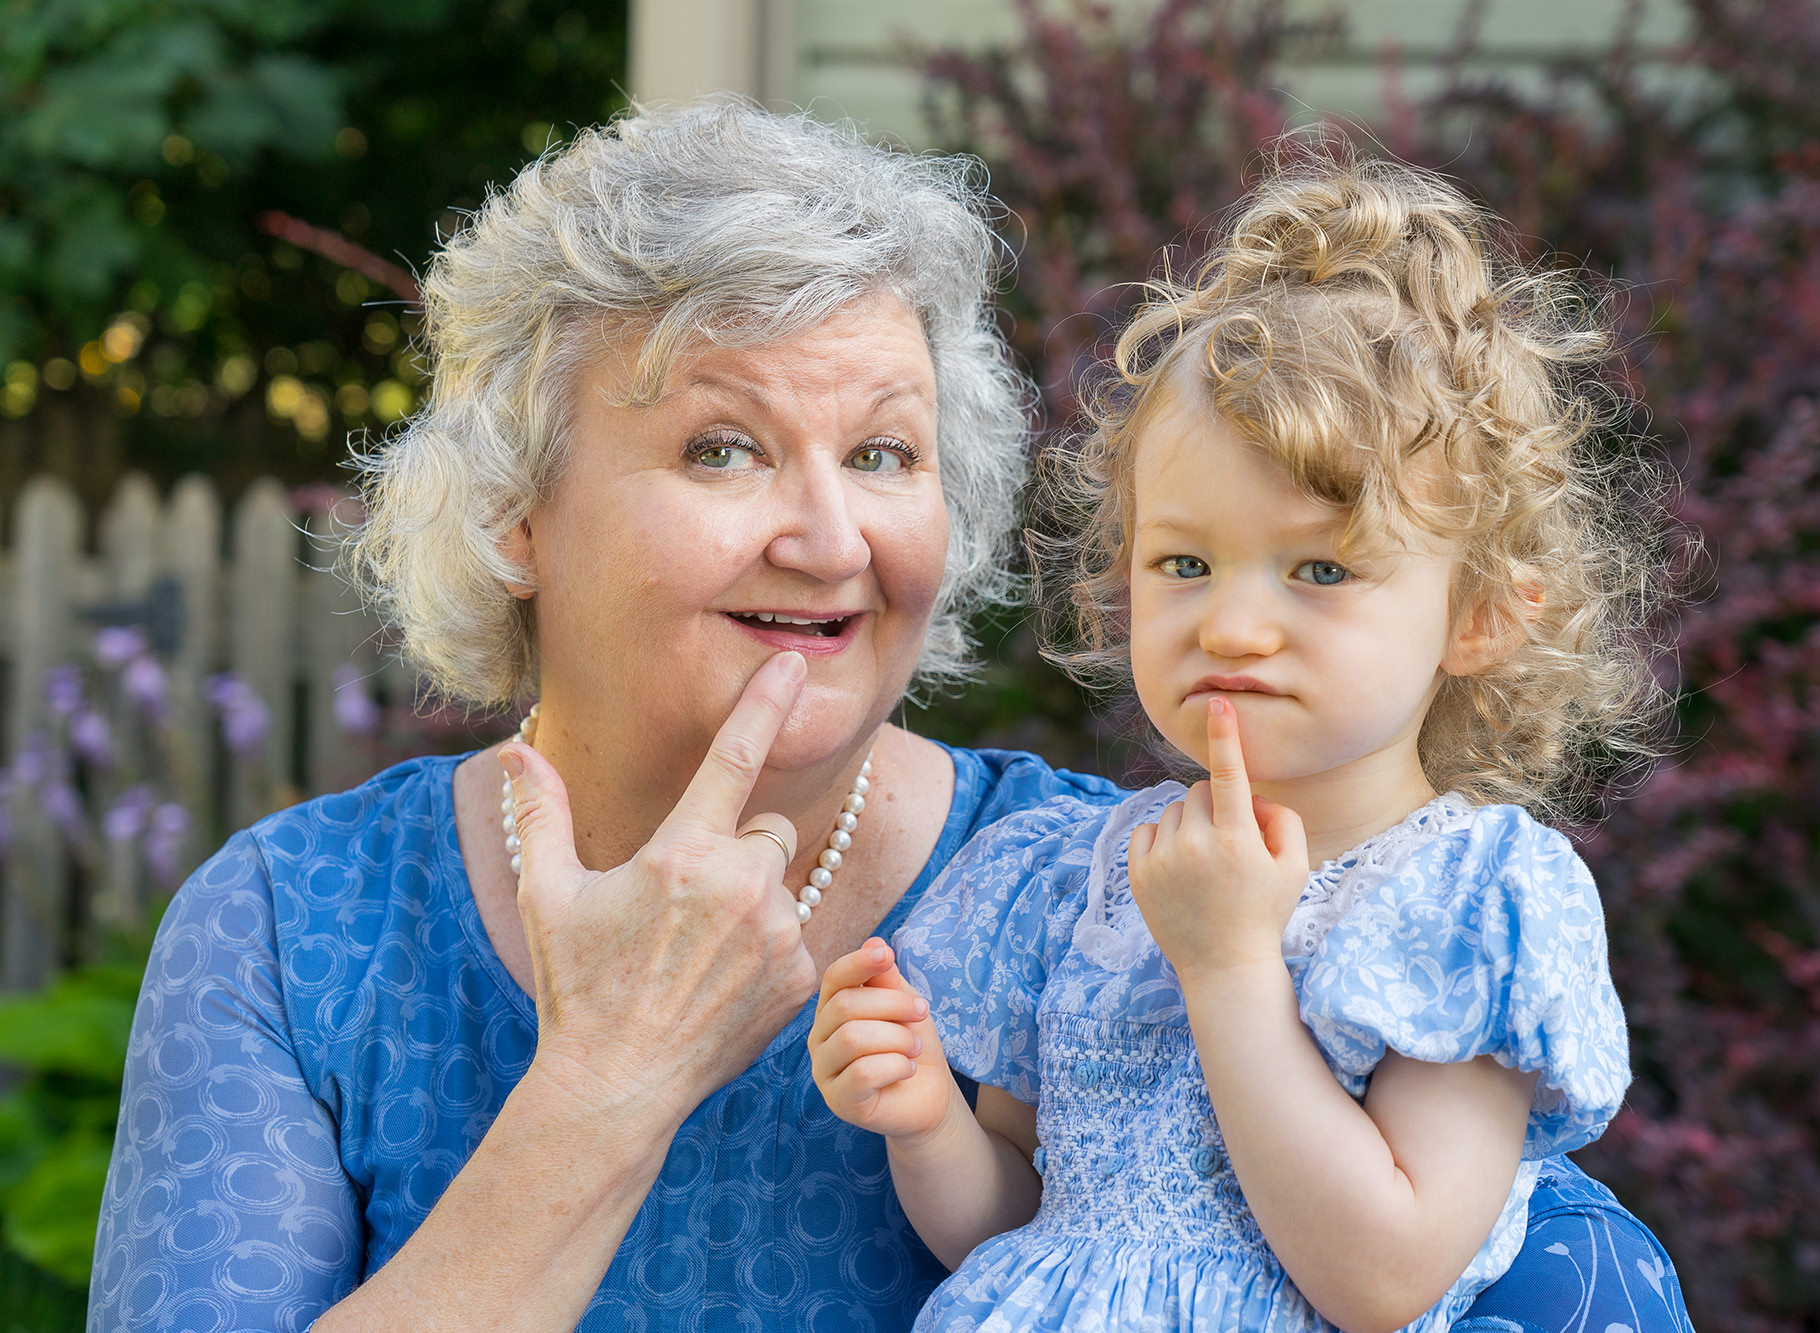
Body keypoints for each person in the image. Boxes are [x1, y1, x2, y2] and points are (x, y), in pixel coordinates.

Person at [86, 100, 1693, 1332]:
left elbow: (1515, 1261)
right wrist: (608, 1080)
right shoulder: (298, 933)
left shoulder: (1125, 886)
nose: (831, 537)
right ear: (518, 511)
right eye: (723, 449)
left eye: (883, 454)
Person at [810, 152, 1677, 1333]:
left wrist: (1228, 968)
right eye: (1183, 563)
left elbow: (1383, 1277)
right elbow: (1022, 1237)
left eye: (1319, 568)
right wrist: (926, 1126)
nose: (1229, 620)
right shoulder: (1075, 881)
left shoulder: (1468, 903)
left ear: (1475, 617)